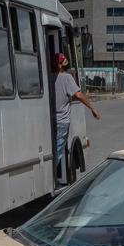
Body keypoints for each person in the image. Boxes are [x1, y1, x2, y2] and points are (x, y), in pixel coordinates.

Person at [53, 53, 99, 185]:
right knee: (58, 151)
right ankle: (52, 178)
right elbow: (78, 95)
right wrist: (92, 108)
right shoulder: (66, 78)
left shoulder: (48, 77)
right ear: (63, 64)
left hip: (49, 121)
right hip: (62, 121)